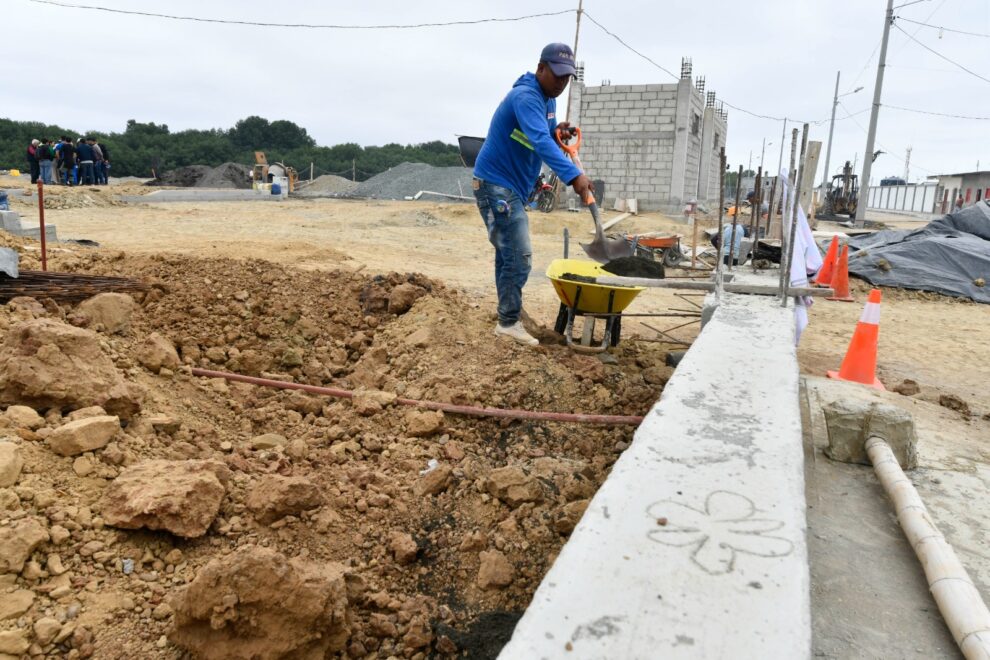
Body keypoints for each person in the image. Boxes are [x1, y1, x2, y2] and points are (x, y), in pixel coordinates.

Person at [472, 42, 592, 346]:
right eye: (557, 76)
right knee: (520, 253)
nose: (562, 83)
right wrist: (574, 177)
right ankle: (508, 322)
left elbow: (543, 131)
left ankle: (507, 315)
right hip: (495, 184)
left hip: (511, 186)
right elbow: (539, 140)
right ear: (541, 68)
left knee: (508, 252)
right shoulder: (526, 96)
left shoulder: (547, 99)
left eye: (567, 79)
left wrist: (558, 130)